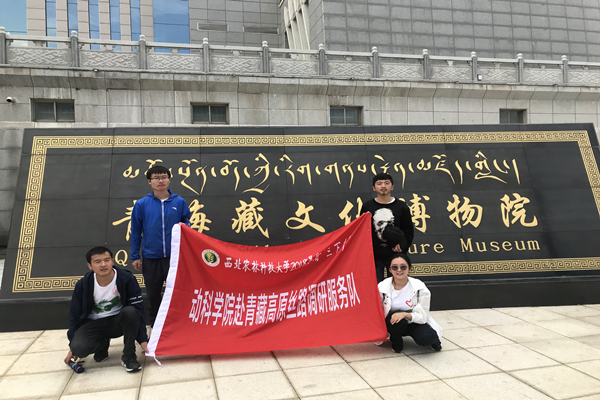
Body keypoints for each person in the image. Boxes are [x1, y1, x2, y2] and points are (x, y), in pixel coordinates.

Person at [64, 247, 148, 373]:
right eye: (97, 262)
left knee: (131, 312)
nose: (103, 265)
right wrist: (72, 346)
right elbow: (74, 315)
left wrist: (143, 340)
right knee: (79, 348)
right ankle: (102, 345)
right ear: (90, 266)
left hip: (117, 321)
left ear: (112, 261)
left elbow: (138, 310)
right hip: (93, 324)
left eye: (106, 260)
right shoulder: (83, 284)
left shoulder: (127, 278)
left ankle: (129, 356)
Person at [131, 165, 191, 326]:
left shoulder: (179, 202)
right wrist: (135, 256)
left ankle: (178, 325)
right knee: (153, 295)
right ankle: (155, 327)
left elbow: (187, 223)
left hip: (174, 257)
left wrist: (185, 226)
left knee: (178, 292)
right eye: (156, 178)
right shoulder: (142, 204)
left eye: (164, 177)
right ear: (149, 181)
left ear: (169, 179)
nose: (160, 181)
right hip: (151, 257)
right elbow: (136, 231)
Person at [378, 253, 442, 353]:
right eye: (395, 267)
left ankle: (435, 341)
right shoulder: (382, 287)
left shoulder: (420, 287)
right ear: (390, 270)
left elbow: (423, 316)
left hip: (415, 321)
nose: (399, 270)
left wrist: (405, 315)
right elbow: (377, 312)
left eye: (403, 267)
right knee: (396, 322)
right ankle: (397, 342)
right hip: (395, 323)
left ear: (409, 269)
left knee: (426, 338)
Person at [360, 173, 414, 282]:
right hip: (374, 256)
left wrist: (402, 247)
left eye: (386, 183)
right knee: (375, 286)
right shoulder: (368, 206)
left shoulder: (401, 206)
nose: (383, 186)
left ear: (392, 186)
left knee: (396, 286)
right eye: (379, 183)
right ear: (374, 188)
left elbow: (408, 230)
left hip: (396, 255)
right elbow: (362, 230)